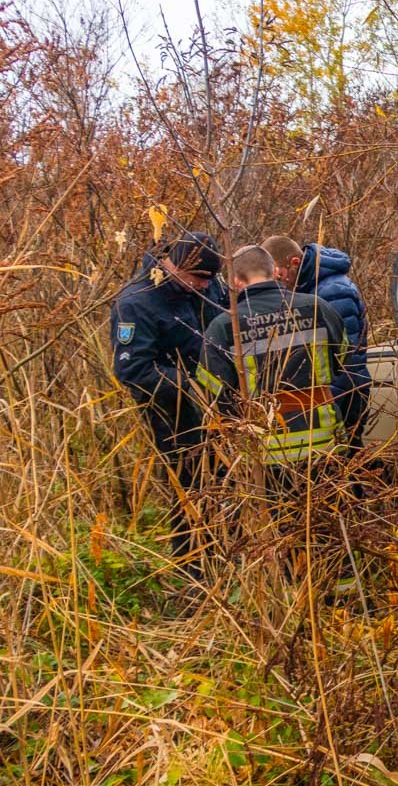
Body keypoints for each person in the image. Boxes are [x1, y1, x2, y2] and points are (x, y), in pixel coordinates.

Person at [110, 231, 227, 578]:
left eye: (210, 279)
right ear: (173, 265)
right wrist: (193, 389)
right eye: (198, 278)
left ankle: (228, 560)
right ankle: (194, 574)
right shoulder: (136, 303)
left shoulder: (208, 287)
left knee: (226, 485)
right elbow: (133, 369)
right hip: (174, 415)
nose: (206, 286)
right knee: (189, 491)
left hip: (222, 408)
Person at [195, 245, 348, 466]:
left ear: (235, 281)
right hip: (325, 445)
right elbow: (343, 358)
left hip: (263, 454)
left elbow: (209, 394)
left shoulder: (224, 326)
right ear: (275, 271)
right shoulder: (317, 307)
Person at [261, 235, 369, 449]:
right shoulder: (307, 289)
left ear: (295, 263)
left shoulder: (333, 292)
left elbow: (345, 360)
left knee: (345, 461)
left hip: (344, 396)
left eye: (280, 276)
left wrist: (328, 406)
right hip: (328, 398)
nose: (279, 283)